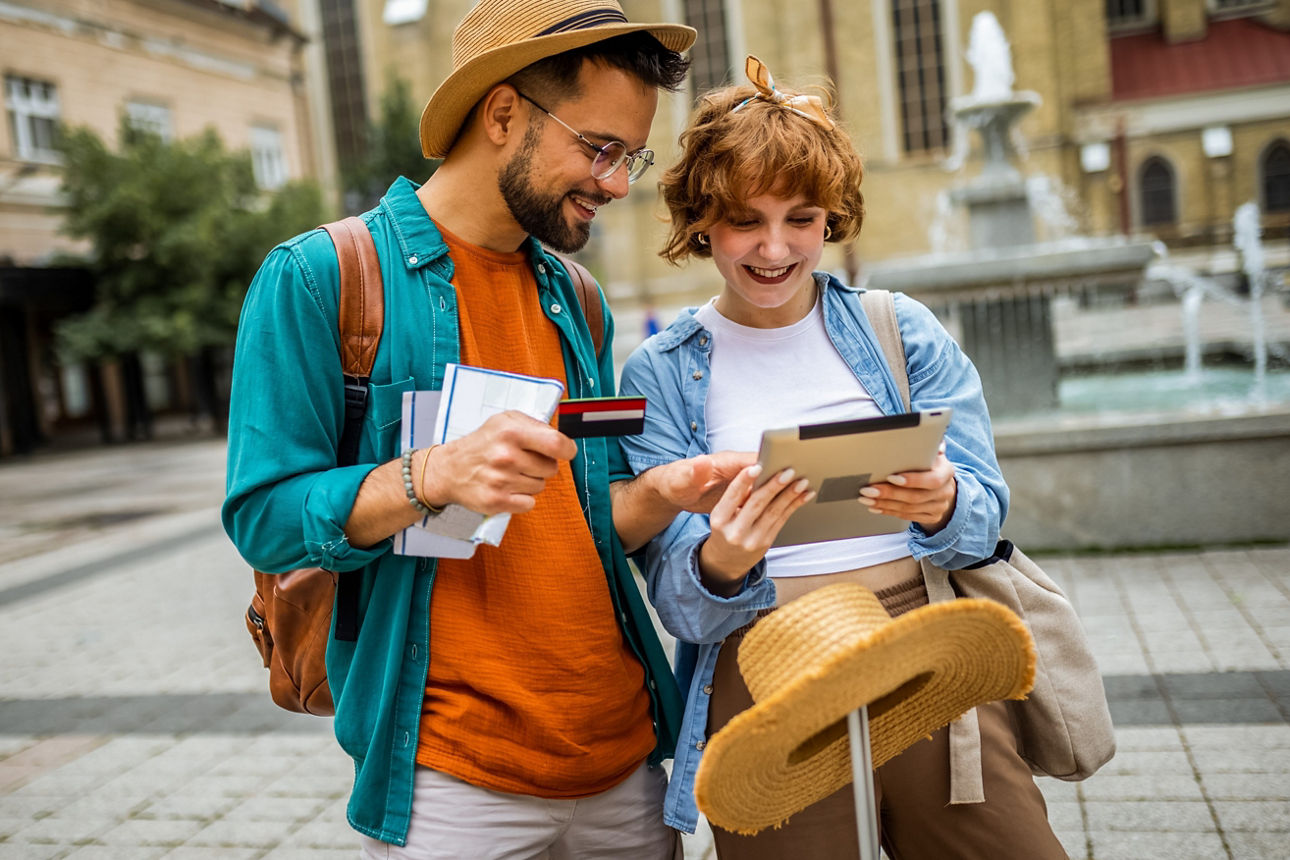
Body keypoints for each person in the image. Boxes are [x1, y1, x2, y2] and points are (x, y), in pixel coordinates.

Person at [223, 3, 750, 857]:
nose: (617, 184)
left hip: (624, 765)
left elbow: (587, 518)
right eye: (599, 148)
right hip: (449, 780)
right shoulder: (322, 276)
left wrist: (660, 493)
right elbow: (264, 517)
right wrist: (427, 475)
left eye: (630, 156)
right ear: (504, 113)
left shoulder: (577, 297)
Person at [618, 57, 1067, 858]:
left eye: (801, 218)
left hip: (928, 650)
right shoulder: (662, 370)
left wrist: (942, 502)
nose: (774, 246)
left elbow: (985, 517)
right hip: (765, 663)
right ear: (701, 222)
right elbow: (680, 606)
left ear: (832, 217)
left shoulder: (901, 330)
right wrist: (726, 557)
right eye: (745, 220)